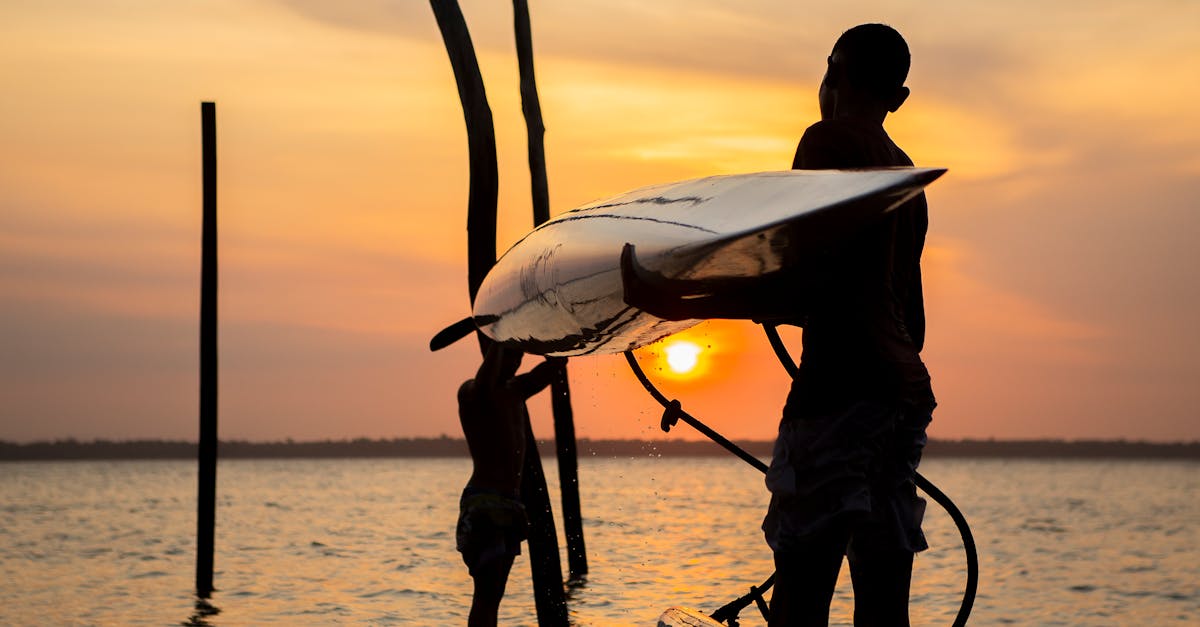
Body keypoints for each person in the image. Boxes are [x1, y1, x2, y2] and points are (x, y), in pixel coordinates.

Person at [621, 23, 934, 627]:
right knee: (884, 599)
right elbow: (904, 317)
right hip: (901, 397)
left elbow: (806, 285)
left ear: (834, 76)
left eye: (825, 73)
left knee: (801, 592)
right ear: (899, 98)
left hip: (836, 393)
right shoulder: (908, 176)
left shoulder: (828, 140)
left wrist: (679, 300)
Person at [455, 343, 561, 627]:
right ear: (493, 354)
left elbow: (552, 367)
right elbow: (485, 380)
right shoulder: (473, 393)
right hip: (484, 504)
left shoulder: (516, 392)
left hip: (511, 505)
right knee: (486, 593)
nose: (514, 363)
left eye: (518, 357)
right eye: (509, 356)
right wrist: (501, 336)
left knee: (496, 594)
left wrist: (552, 337)